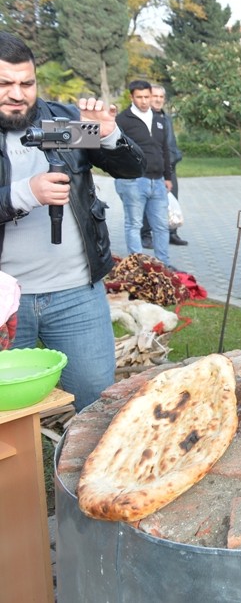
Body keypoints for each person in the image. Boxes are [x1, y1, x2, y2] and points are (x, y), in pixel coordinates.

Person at [0, 32, 145, 411]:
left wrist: (109, 132)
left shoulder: (59, 123)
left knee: (96, 400)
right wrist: (24, 193)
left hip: (76, 294)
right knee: (7, 410)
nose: (17, 94)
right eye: (4, 83)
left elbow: (131, 168)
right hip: (4, 304)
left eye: (26, 83)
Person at [115, 80, 175, 268]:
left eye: (147, 97)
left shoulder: (159, 120)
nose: (144, 101)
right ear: (131, 97)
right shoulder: (122, 120)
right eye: (139, 97)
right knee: (134, 225)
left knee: (161, 226)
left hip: (157, 181)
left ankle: (162, 266)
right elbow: (112, 148)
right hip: (133, 181)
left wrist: (167, 176)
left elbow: (164, 149)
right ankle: (138, 267)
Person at [141, 84, 187, 247]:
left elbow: (169, 142)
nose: (158, 100)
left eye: (161, 97)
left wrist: (175, 156)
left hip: (169, 166)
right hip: (151, 168)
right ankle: (145, 235)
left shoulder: (166, 117)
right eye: (155, 96)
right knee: (148, 200)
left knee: (172, 198)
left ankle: (171, 233)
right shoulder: (144, 117)